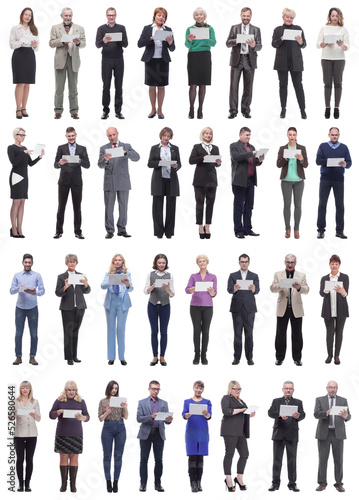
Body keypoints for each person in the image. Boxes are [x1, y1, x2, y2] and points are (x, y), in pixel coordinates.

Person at [98, 127, 140, 239]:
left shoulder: (126, 146)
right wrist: (105, 160)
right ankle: (110, 230)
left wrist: (126, 152)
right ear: (107, 136)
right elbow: (100, 165)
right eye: (109, 136)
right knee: (109, 208)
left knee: (123, 206)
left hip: (123, 180)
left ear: (117, 134)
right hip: (109, 181)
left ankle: (122, 229)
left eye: (113, 135)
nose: (112, 137)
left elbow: (137, 157)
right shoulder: (104, 148)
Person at [49, 381, 89, 493]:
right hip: (62, 433)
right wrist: (58, 412)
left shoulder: (81, 402)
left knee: (74, 458)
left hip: (76, 434)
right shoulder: (59, 401)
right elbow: (51, 415)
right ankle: (63, 484)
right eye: (69, 390)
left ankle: (73, 485)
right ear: (65, 390)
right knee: (63, 457)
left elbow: (87, 416)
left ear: (76, 391)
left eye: (73, 390)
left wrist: (83, 418)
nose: (71, 392)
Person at [270, 254, 309, 366]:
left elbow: (307, 290)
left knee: (297, 335)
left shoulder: (301, 275)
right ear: (285, 262)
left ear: (295, 263)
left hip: (296, 309)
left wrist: (299, 288)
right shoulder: (278, 274)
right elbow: (272, 288)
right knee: (280, 335)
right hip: (282, 308)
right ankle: (279, 358)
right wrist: (282, 285)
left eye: (292, 262)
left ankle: (297, 358)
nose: (290, 264)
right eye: (288, 262)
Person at [138, 7, 175, 119]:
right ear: (154, 16)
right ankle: (153, 109)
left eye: (163, 16)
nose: (161, 17)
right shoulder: (147, 28)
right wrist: (150, 38)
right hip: (151, 60)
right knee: (151, 86)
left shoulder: (167, 29)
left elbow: (173, 48)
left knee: (162, 86)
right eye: (159, 15)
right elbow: (139, 43)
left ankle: (160, 110)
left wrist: (170, 42)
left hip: (163, 61)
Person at [268, 381, 305, 492]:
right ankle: (275, 483)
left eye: (290, 388)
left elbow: (303, 414)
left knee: (292, 460)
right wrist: (279, 415)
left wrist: (299, 415)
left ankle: (292, 484)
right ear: (283, 389)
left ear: (293, 390)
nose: (288, 390)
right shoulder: (276, 401)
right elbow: (270, 412)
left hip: (292, 434)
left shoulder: (298, 402)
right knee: (276, 460)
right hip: (278, 434)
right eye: (286, 388)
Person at [53, 127, 90, 239]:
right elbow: (55, 165)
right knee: (61, 207)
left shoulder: (82, 149)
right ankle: (58, 231)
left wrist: (79, 160)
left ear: (76, 135)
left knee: (77, 208)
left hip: (77, 182)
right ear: (66, 136)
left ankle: (78, 232)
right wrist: (59, 163)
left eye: (72, 135)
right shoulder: (61, 148)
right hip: (64, 181)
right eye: (69, 136)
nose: (71, 137)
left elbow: (87, 165)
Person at [49, 7, 86, 119]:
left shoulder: (79, 28)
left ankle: (74, 111)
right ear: (61, 16)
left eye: (69, 15)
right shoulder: (55, 28)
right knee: (59, 88)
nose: (68, 18)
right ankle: (58, 111)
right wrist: (61, 41)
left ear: (72, 16)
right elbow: (51, 43)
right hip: (60, 60)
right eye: (66, 15)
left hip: (73, 60)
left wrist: (79, 42)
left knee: (73, 88)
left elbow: (84, 43)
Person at [314, 381, 351, 493]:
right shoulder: (319, 399)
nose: (332, 389)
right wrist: (327, 412)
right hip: (324, 434)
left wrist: (346, 416)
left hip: (338, 434)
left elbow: (348, 416)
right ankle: (322, 483)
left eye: (334, 387)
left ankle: (339, 484)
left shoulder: (343, 400)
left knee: (338, 460)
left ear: (337, 389)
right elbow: (316, 414)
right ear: (326, 388)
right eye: (330, 387)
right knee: (322, 460)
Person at [137, 380, 173, 492]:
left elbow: (166, 421)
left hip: (159, 433)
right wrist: (151, 417)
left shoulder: (164, 403)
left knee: (159, 460)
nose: (156, 391)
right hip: (145, 434)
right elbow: (139, 418)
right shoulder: (142, 402)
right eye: (153, 388)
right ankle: (143, 484)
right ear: (149, 389)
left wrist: (169, 420)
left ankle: (158, 484)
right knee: (144, 460)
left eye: (157, 389)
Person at [226, 7, 262, 119]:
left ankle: (245, 110)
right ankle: (233, 111)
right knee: (233, 86)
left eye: (248, 16)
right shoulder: (234, 28)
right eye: (244, 15)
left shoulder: (256, 30)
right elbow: (227, 43)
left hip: (249, 60)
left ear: (250, 16)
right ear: (241, 15)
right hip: (237, 60)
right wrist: (237, 40)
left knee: (248, 87)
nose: (246, 18)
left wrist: (253, 46)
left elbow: (260, 46)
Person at [8, 128, 44, 238]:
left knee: (22, 202)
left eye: (24, 135)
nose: (23, 137)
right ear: (15, 135)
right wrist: (24, 153)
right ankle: (13, 229)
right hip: (16, 176)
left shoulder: (24, 148)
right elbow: (14, 162)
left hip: (24, 177)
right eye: (20, 135)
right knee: (16, 202)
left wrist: (39, 157)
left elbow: (30, 163)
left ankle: (20, 229)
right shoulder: (11, 147)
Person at [55, 254, 91, 365]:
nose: (72, 263)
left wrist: (86, 284)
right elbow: (57, 292)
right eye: (70, 261)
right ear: (67, 263)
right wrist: (65, 287)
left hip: (79, 307)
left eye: (74, 262)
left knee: (75, 332)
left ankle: (75, 356)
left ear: (76, 263)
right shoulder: (61, 277)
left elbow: (87, 291)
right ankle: (69, 357)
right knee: (68, 332)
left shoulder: (81, 275)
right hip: (67, 307)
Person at [316, 127, 351, 239]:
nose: (334, 136)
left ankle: (339, 231)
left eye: (336, 135)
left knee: (340, 206)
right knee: (322, 205)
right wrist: (329, 161)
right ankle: (321, 230)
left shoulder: (344, 147)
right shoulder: (323, 146)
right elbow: (318, 161)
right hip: (325, 179)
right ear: (329, 135)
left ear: (339, 135)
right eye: (332, 134)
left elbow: (349, 163)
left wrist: (345, 164)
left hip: (339, 180)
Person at [10, 253, 45, 366]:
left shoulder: (37, 275)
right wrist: (17, 288)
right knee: (18, 333)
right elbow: (11, 291)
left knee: (34, 334)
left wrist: (36, 292)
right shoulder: (17, 275)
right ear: (22, 263)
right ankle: (18, 357)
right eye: (26, 262)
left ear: (32, 263)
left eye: (29, 262)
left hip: (32, 308)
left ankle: (32, 357)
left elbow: (43, 290)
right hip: (20, 308)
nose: (27, 264)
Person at [221, 380, 256, 492]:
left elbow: (242, 415)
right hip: (230, 430)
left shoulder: (241, 401)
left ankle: (239, 477)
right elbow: (226, 411)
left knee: (245, 454)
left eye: (239, 389)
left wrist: (249, 414)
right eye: (235, 389)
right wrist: (241, 410)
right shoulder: (226, 398)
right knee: (229, 454)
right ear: (230, 389)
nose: (237, 391)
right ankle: (228, 479)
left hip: (241, 431)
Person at [272, 8, 307, 119]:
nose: (289, 19)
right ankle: (283, 109)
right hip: (282, 62)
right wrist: (281, 38)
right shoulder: (278, 30)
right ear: (283, 17)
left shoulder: (298, 29)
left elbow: (304, 44)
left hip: (295, 62)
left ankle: (302, 110)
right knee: (283, 86)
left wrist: (301, 42)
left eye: (291, 17)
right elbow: (274, 44)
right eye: (287, 17)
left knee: (298, 86)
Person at [230, 127, 264, 238]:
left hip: (250, 180)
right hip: (239, 181)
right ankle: (238, 231)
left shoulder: (252, 147)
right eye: (246, 135)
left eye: (249, 135)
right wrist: (251, 154)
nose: (248, 137)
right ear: (241, 135)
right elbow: (236, 157)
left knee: (249, 206)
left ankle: (247, 229)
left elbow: (254, 162)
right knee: (239, 207)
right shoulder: (234, 146)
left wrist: (259, 159)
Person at [148, 127, 181, 238]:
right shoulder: (154, 148)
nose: (166, 138)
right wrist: (161, 162)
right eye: (164, 135)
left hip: (171, 180)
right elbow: (150, 163)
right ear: (161, 136)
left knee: (171, 207)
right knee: (157, 207)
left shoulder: (175, 148)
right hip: (158, 180)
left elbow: (179, 163)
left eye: (168, 136)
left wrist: (176, 166)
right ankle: (158, 232)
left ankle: (169, 232)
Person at [95, 7, 128, 120]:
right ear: (106, 16)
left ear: (116, 15)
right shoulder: (101, 29)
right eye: (109, 15)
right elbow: (97, 45)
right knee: (106, 86)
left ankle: (118, 111)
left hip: (119, 59)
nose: (111, 17)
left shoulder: (121, 28)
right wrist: (103, 41)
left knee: (119, 86)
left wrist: (118, 38)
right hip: (106, 60)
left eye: (113, 15)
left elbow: (126, 44)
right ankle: (105, 111)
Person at [189, 127, 221, 239]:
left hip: (212, 180)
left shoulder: (215, 148)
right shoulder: (197, 147)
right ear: (202, 135)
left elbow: (217, 164)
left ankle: (207, 225)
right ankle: (200, 226)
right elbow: (191, 161)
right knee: (200, 203)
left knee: (210, 204)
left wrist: (218, 162)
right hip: (199, 180)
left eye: (210, 134)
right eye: (206, 133)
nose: (208, 135)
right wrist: (202, 157)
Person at [101, 254, 133, 365]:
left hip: (122, 303)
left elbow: (131, 289)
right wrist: (111, 280)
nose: (118, 262)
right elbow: (102, 286)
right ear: (113, 262)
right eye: (116, 260)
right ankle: (111, 357)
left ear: (122, 262)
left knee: (120, 329)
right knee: (111, 329)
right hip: (111, 303)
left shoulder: (127, 274)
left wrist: (128, 284)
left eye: (120, 260)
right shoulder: (108, 274)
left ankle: (122, 357)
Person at [227, 254, 259, 365]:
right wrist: (234, 289)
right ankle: (237, 357)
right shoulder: (233, 275)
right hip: (237, 308)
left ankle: (249, 358)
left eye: (246, 262)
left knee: (249, 334)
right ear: (239, 263)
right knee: (237, 334)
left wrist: (254, 289)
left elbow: (258, 290)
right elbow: (229, 289)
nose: (244, 263)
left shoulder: (254, 276)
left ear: (249, 263)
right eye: (242, 261)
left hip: (249, 308)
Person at [276, 127, 308, 239]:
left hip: (299, 180)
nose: (292, 136)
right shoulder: (283, 148)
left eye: (294, 134)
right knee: (287, 205)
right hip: (286, 181)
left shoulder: (302, 148)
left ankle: (296, 229)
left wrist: (301, 159)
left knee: (298, 205)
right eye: (290, 134)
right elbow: (278, 165)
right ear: (287, 135)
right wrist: (285, 159)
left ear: (296, 135)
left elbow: (306, 165)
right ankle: (287, 229)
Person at [317, 8, 349, 119]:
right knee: (327, 83)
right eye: (333, 15)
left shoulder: (343, 29)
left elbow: (347, 47)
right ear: (329, 16)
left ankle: (336, 108)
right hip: (326, 58)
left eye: (336, 16)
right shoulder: (324, 28)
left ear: (340, 17)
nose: (334, 18)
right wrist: (325, 42)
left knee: (338, 83)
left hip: (339, 59)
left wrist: (341, 45)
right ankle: (327, 108)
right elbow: (318, 45)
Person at [185, 254, 217, 365]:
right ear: (197, 263)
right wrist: (192, 289)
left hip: (208, 306)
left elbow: (214, 293)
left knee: (206, 331)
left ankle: (204, 355)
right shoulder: (193, 276)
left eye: (204, 261)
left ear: (207, 262)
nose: (202, 263)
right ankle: (196, 355)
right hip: (195, 306)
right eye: (200, 261)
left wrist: (212, 292)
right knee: (197, 331)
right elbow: (187, 289)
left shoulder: (213, 276)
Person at [185, 7, 216, 119]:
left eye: (201, 14)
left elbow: (213, 43)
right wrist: (190, 40)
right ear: (194, 17)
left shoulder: (209, 28)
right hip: (193, 56)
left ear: (204, 16)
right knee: (193, 84)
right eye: (197, 14)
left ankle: (200, 109)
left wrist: (204, 37)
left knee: (202, 84)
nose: (199, 16)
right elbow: (187, 45)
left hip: (205, 56)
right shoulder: (189, 29)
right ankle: (191, 108)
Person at [144, 254, 174, 366]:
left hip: (165, 305)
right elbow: (145, 291)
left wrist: (168, 290)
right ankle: (154, 356)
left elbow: (172, 294)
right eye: (159, 263)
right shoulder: (150, 274)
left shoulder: (170, 276)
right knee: (154, 331)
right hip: (152, 304)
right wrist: (152, 287)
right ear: (156, 263)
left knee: (164, 332)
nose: (161, 265)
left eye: (163, 263)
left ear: (166, 264)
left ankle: (162, 356)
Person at [98, 380, 128, 493]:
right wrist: (107, 411)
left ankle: (116, 482)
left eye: (116, 388)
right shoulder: (103, 401)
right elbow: (100, 418)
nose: (114, 390)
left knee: (118, 456)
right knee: (107, 456)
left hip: (120, 427)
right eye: (112, 388)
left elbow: (126, 417)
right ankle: (108, 481)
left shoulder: (120, 401)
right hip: (107, 428)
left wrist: (125, 407)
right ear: (108, 389)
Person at [182, 380, 212, 492]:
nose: (198, 390)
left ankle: (199, 482)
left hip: (203, 431)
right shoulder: (187, 401)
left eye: (200, 388)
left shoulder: (207, 402)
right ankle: (192, 482)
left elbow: (209, 416)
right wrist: (187, 414)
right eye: (197, 388)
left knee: (200, 457)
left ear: (202, 390)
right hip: (191, 431)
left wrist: (206, 414)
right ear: (193, 388)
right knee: (192, 456)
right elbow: (184, 415)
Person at [9, 8, 39, 119]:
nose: (27, 17)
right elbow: (11, 44)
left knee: (27, 83)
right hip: (19, 55)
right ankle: (18, 108)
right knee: (20, 82)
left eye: (30, 15)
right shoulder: (15, 28)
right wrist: (22, 41)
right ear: (22, 15)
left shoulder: (33, 29)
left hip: (30, 55)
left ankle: (24, 107)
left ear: (31, 17)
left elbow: (36, 48)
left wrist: (35, 45)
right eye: (26, 14)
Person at [319, 255, 349, 365]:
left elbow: (346, 294)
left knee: (339, 332)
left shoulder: (345, 277)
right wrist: (326, 290)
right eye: (332, 264)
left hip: (341, 309)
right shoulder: (324, 278)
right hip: (328, 309)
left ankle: (337, 356)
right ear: (329, 265)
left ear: (339, 265)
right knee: (330, 333)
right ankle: (329, 355)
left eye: (336, 264)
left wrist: (342, 291)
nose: (334, 266)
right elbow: (321, 293)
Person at [14, 381, 41, 492]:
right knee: (20, 459)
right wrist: (14, 414)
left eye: (27, 388)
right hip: (19, 433)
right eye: (23, 388)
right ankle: (20, 484)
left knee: (29, 459)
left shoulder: (35, 402)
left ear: (30, 389)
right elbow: (11, 417)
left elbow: (39, 419)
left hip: (32, 433)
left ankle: (27, 483)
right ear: (20, 389)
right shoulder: (15, 401)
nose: (25, 390)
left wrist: (34, 414)